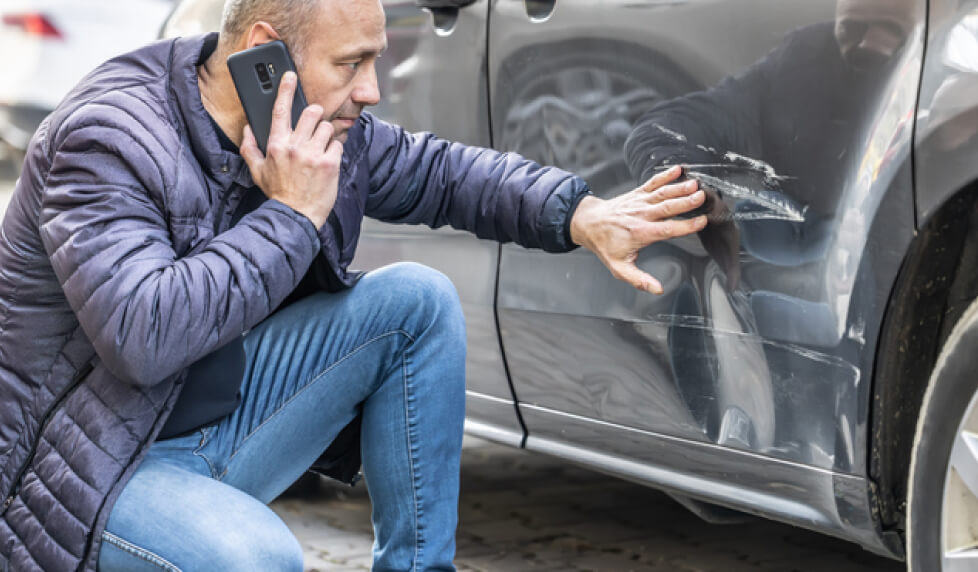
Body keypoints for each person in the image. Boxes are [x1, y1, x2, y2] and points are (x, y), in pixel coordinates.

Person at [0, 0, 707, 570]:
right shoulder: (110, 139)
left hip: (205, 426)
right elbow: (143, 339)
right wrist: (291, 214)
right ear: (263, 52)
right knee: (256, 556)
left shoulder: (317, 124)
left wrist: (580, 214)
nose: (370, 89)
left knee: (414, 302)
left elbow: (441, 173)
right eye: (352, 63)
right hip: (88, 475)